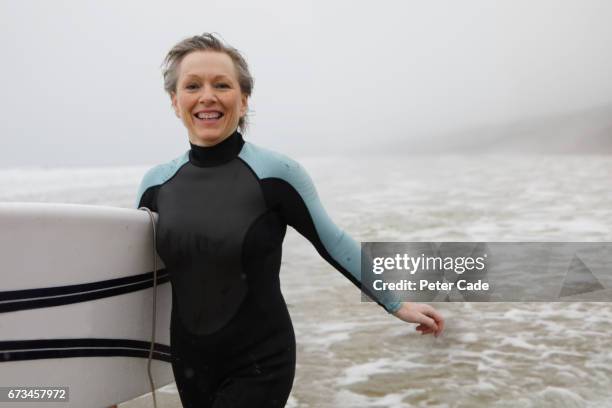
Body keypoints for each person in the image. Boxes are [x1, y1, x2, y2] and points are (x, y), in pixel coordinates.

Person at [134, 32, 445, 408]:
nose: (208, 96)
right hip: (189, 363)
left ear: (244, 99)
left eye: (222, 85)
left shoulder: (275, 173)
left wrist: (396, 303)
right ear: (175, 100)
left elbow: (332, 242)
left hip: (260, 360)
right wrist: (101, 372)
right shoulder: (156, 185)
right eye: (193, 85)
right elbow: (136, 279)